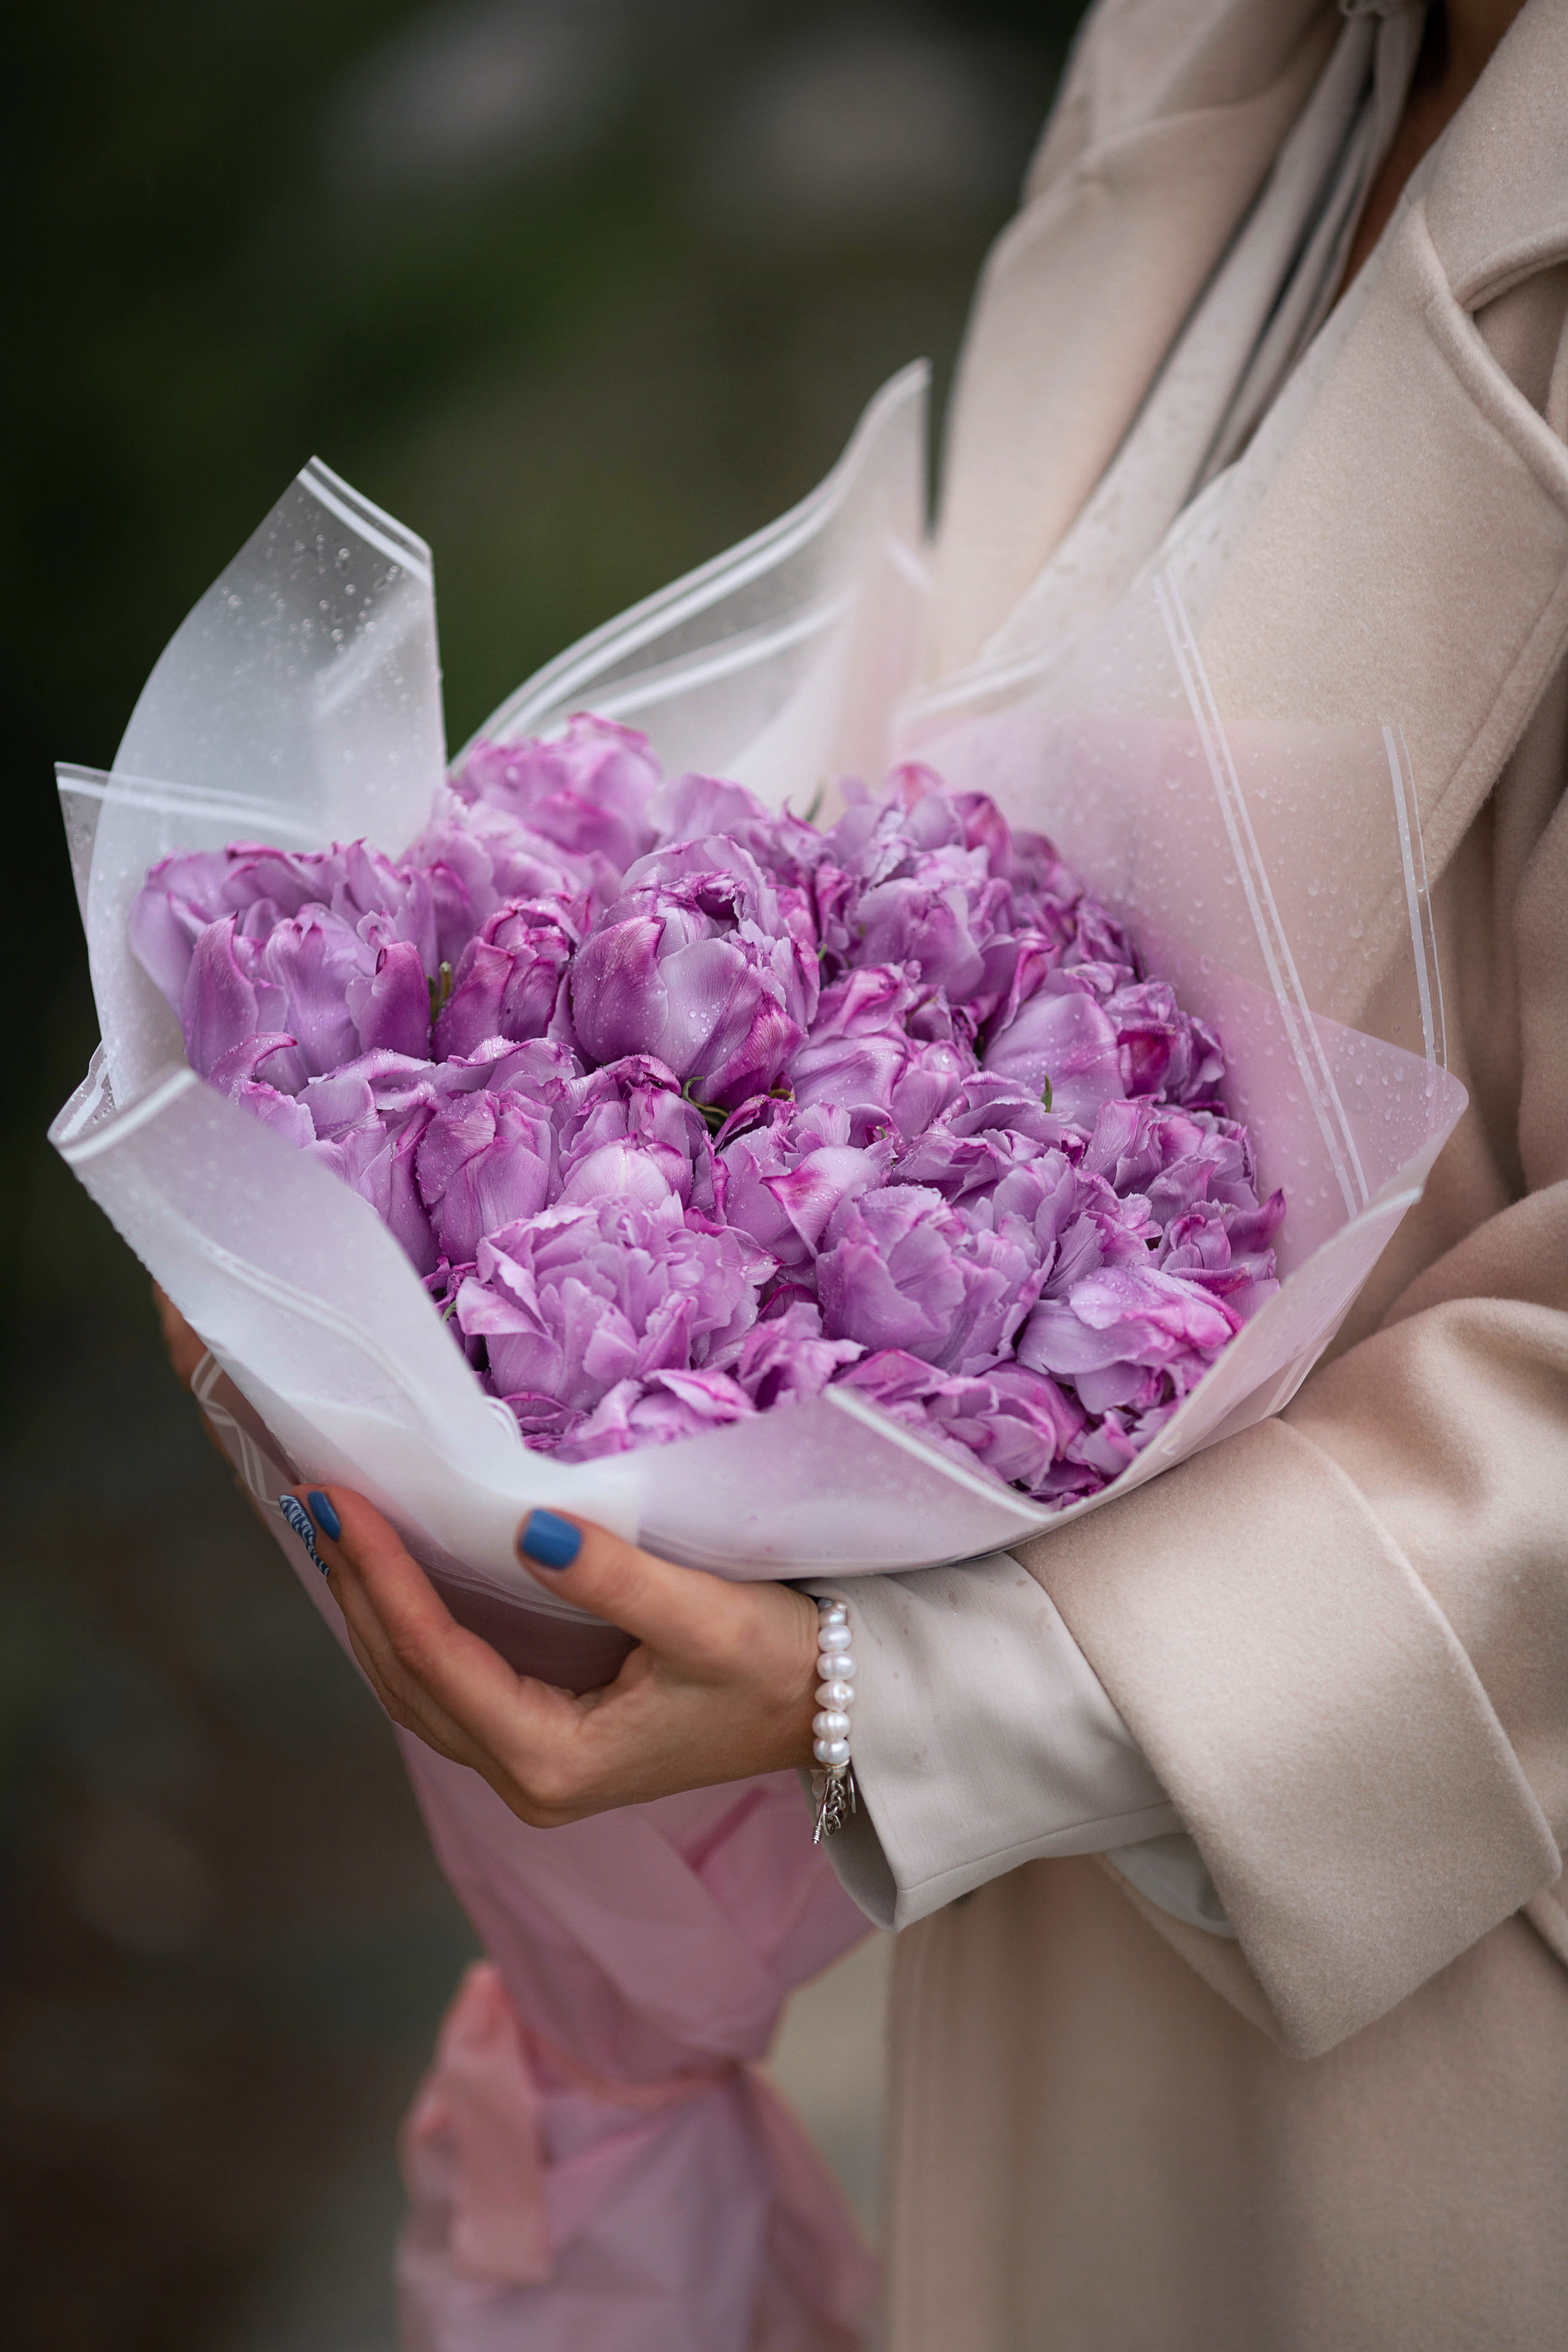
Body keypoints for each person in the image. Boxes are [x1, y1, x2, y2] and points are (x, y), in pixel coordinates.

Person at [164, 2, 1568, 2343]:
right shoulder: (1242, 52)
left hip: (1428, 1968)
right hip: (1066, 1943)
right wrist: (415, 1166)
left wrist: (918, 1701)